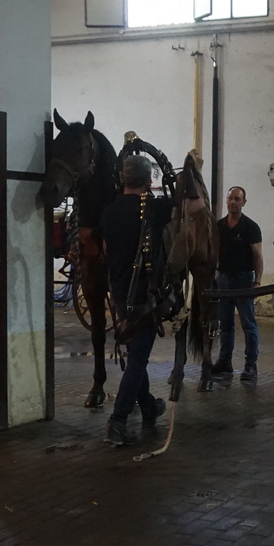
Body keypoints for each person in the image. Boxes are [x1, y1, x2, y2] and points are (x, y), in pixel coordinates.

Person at [99, 155, 167, 447]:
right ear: (149, 180)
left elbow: (106, 249)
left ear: (122, 178)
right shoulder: (155, 208)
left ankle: (149, 406)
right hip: (144, 296)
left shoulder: (109, 211)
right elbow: (196, 206)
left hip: (118, 293)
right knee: (138, 359)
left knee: (135, 353)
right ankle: (118, 421)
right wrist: (195, 171)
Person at [214, 186, 263, 381]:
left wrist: (257, 281)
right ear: (226, 201)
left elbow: (257, 256)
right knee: (225, 324)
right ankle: (224, 361)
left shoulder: (251, 227)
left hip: (243, 280)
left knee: (248, 324)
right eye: (230, 198)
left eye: (237, 199)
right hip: (222, 279)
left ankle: (251, 364)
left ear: (244, 202)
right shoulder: (218, 226)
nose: (233, 202)